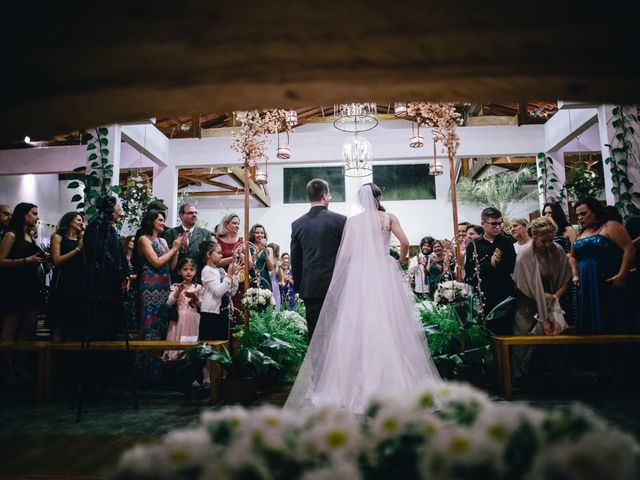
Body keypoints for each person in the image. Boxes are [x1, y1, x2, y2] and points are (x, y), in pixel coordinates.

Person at [284, 183, 440, 414]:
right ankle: (396, 378)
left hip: (360, 274)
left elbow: (345, 254)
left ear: (360, 200)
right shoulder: (388, 218)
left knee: (356, 325)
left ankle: (350, 384)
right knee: (390, 322)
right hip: (384, 270)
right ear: (379, 198)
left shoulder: (353, 222)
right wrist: (401, 260)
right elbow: (405, 243)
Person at [511, 217, 571, 380]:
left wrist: (553, 300)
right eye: (544, 241)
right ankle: (520, 378)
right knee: (522, 340)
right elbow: (524, 286)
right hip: (527, 301)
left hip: (553, 300)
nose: (548, 245)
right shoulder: (525, 254)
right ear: (534, 237)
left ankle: (556, 375)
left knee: (556, 335)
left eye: (551, 240)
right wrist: (542, 315)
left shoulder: (557, 250)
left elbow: (566, 280)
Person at [290, 179, 347, 338]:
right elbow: (346, 257)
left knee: (315, 335)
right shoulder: (340, 221)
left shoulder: (297, 224)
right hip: (336, 287)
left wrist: (300, 287)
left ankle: (317, 363)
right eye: (329, 195)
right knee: (336, 334)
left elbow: (295, 259)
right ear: (324, 196)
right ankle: (336, 363)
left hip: (311, 288)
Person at [569, 198, 635, 333]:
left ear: (595, 212)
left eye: (583, 214)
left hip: (606, 280)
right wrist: (575, 273)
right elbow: (572, 256)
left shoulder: (610, 226)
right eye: (578, 215)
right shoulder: (579, 234)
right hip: (586, 283)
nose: (580, 218)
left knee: (610, 317)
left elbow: (629, 249)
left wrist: (622, 275)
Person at [0, 203, 44, 385]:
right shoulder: (11, 235)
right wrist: (26, 260)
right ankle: (7, 370)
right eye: (33, 214)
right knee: (11, 326)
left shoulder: (30, 237)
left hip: (30, 285)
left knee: (29, 325)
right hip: (14, 286)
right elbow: (0, 261)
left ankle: (21, 366)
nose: (36, 217)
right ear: (24, 215)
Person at [137, 209, 183, 382]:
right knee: (151, 324)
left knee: (164, 324)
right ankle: (149, 373)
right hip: (150, 285)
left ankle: (164, 372)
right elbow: (155, 262)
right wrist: (174, 248)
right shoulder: (143, 239)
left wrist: (177, 250)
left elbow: (171, 266)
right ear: (151, 221)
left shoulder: (163, 240)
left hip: (165, 283)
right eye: (160, 220)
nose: (163, 223)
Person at [464, 207, 516, 333]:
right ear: (483, 224)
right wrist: (490, 264)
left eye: (500, 223)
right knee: (486, 332)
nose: (498, 227)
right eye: (494, 224)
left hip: (505, 294)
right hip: (484, 294)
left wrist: (499, 263)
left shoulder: (508, 241)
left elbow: (514, 266)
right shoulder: (474, 244)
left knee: (506, 332)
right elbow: (470, 271)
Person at [48, 211, 86, 341]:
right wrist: (76, 250)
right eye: (78, 220)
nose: (81, 223)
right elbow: (57, 260)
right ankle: (54, 356)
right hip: (63, 280)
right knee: (59, 321)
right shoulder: (58, 237)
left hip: (79, 281)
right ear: (70, 221)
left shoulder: (81, 239)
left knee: (73, 323)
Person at [199, 239, 242, 341]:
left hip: (223, 311)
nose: (221, 255)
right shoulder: (207, 271)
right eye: (218, 253)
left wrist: (234, 276)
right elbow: (218, 292)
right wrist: (229, 275)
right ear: (208, 254)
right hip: (211, 313)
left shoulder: (221, 271)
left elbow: (231, 292)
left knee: (222, 342)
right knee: (212, 343)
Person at [163, 258, 203, 361]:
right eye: (185, 269)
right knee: (177, 345)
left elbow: (203, 306)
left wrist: (195, 299)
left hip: (192, 319)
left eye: (191, 269)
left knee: (191, 344)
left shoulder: (198, 287)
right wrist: (178, 292)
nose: (188, 272)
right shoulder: (176, 286)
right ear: (179, 271)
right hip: (178, 320)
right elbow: (168, 303)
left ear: (195, 271)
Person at [164, 203, 212, 282]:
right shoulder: (170, 233)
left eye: (195, 213)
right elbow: (167, 259)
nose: (194, 215)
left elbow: (208, 258)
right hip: (176, 280)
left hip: (199, 279)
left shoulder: (205, 234)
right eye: (190, 213)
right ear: (181, 215)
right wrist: (180, 248)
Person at [214, 213, 245, 321]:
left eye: (238, 224)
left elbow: (249, 264)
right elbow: (215, 263)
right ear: (226, 224)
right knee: (224, 312)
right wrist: (233, 257)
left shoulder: (242, 241)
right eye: (234, 223)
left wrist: (241, 255)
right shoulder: (216, 241)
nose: (237, 226)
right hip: (222, 280)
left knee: (239, 312)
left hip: (239, 281)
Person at [121, 235, 139, 332]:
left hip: (134, 288)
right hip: (123, 287)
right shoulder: (122, 258)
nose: (133, 243)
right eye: (132, 241)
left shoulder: (136, 259)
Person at [248, 224, 275, 290]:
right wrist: (258, 250)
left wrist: (266, 255)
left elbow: (271, 268)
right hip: (252, 279)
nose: (260, 235)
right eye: (257, 233)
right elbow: (249, 266)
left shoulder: (269, 249)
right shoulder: (248, 248)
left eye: (262, 233)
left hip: (265, 279)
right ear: (253, 234)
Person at [268, 242, 284, 310]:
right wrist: (273, 265)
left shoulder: (278, 262)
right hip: (268, 285)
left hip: (276, 288)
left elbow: (281, 280)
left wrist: (279, 266)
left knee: (276, 309)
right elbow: (268, 275)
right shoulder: (267, 260)